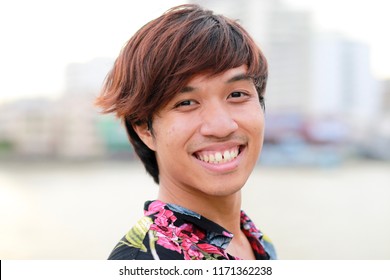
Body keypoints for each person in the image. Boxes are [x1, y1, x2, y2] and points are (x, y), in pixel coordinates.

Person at [96, 4, 276, 260]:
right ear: (144, 128)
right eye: (186, 103)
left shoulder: (256, 241)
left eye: (237, 94)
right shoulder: (146, 262)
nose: (222, 126)